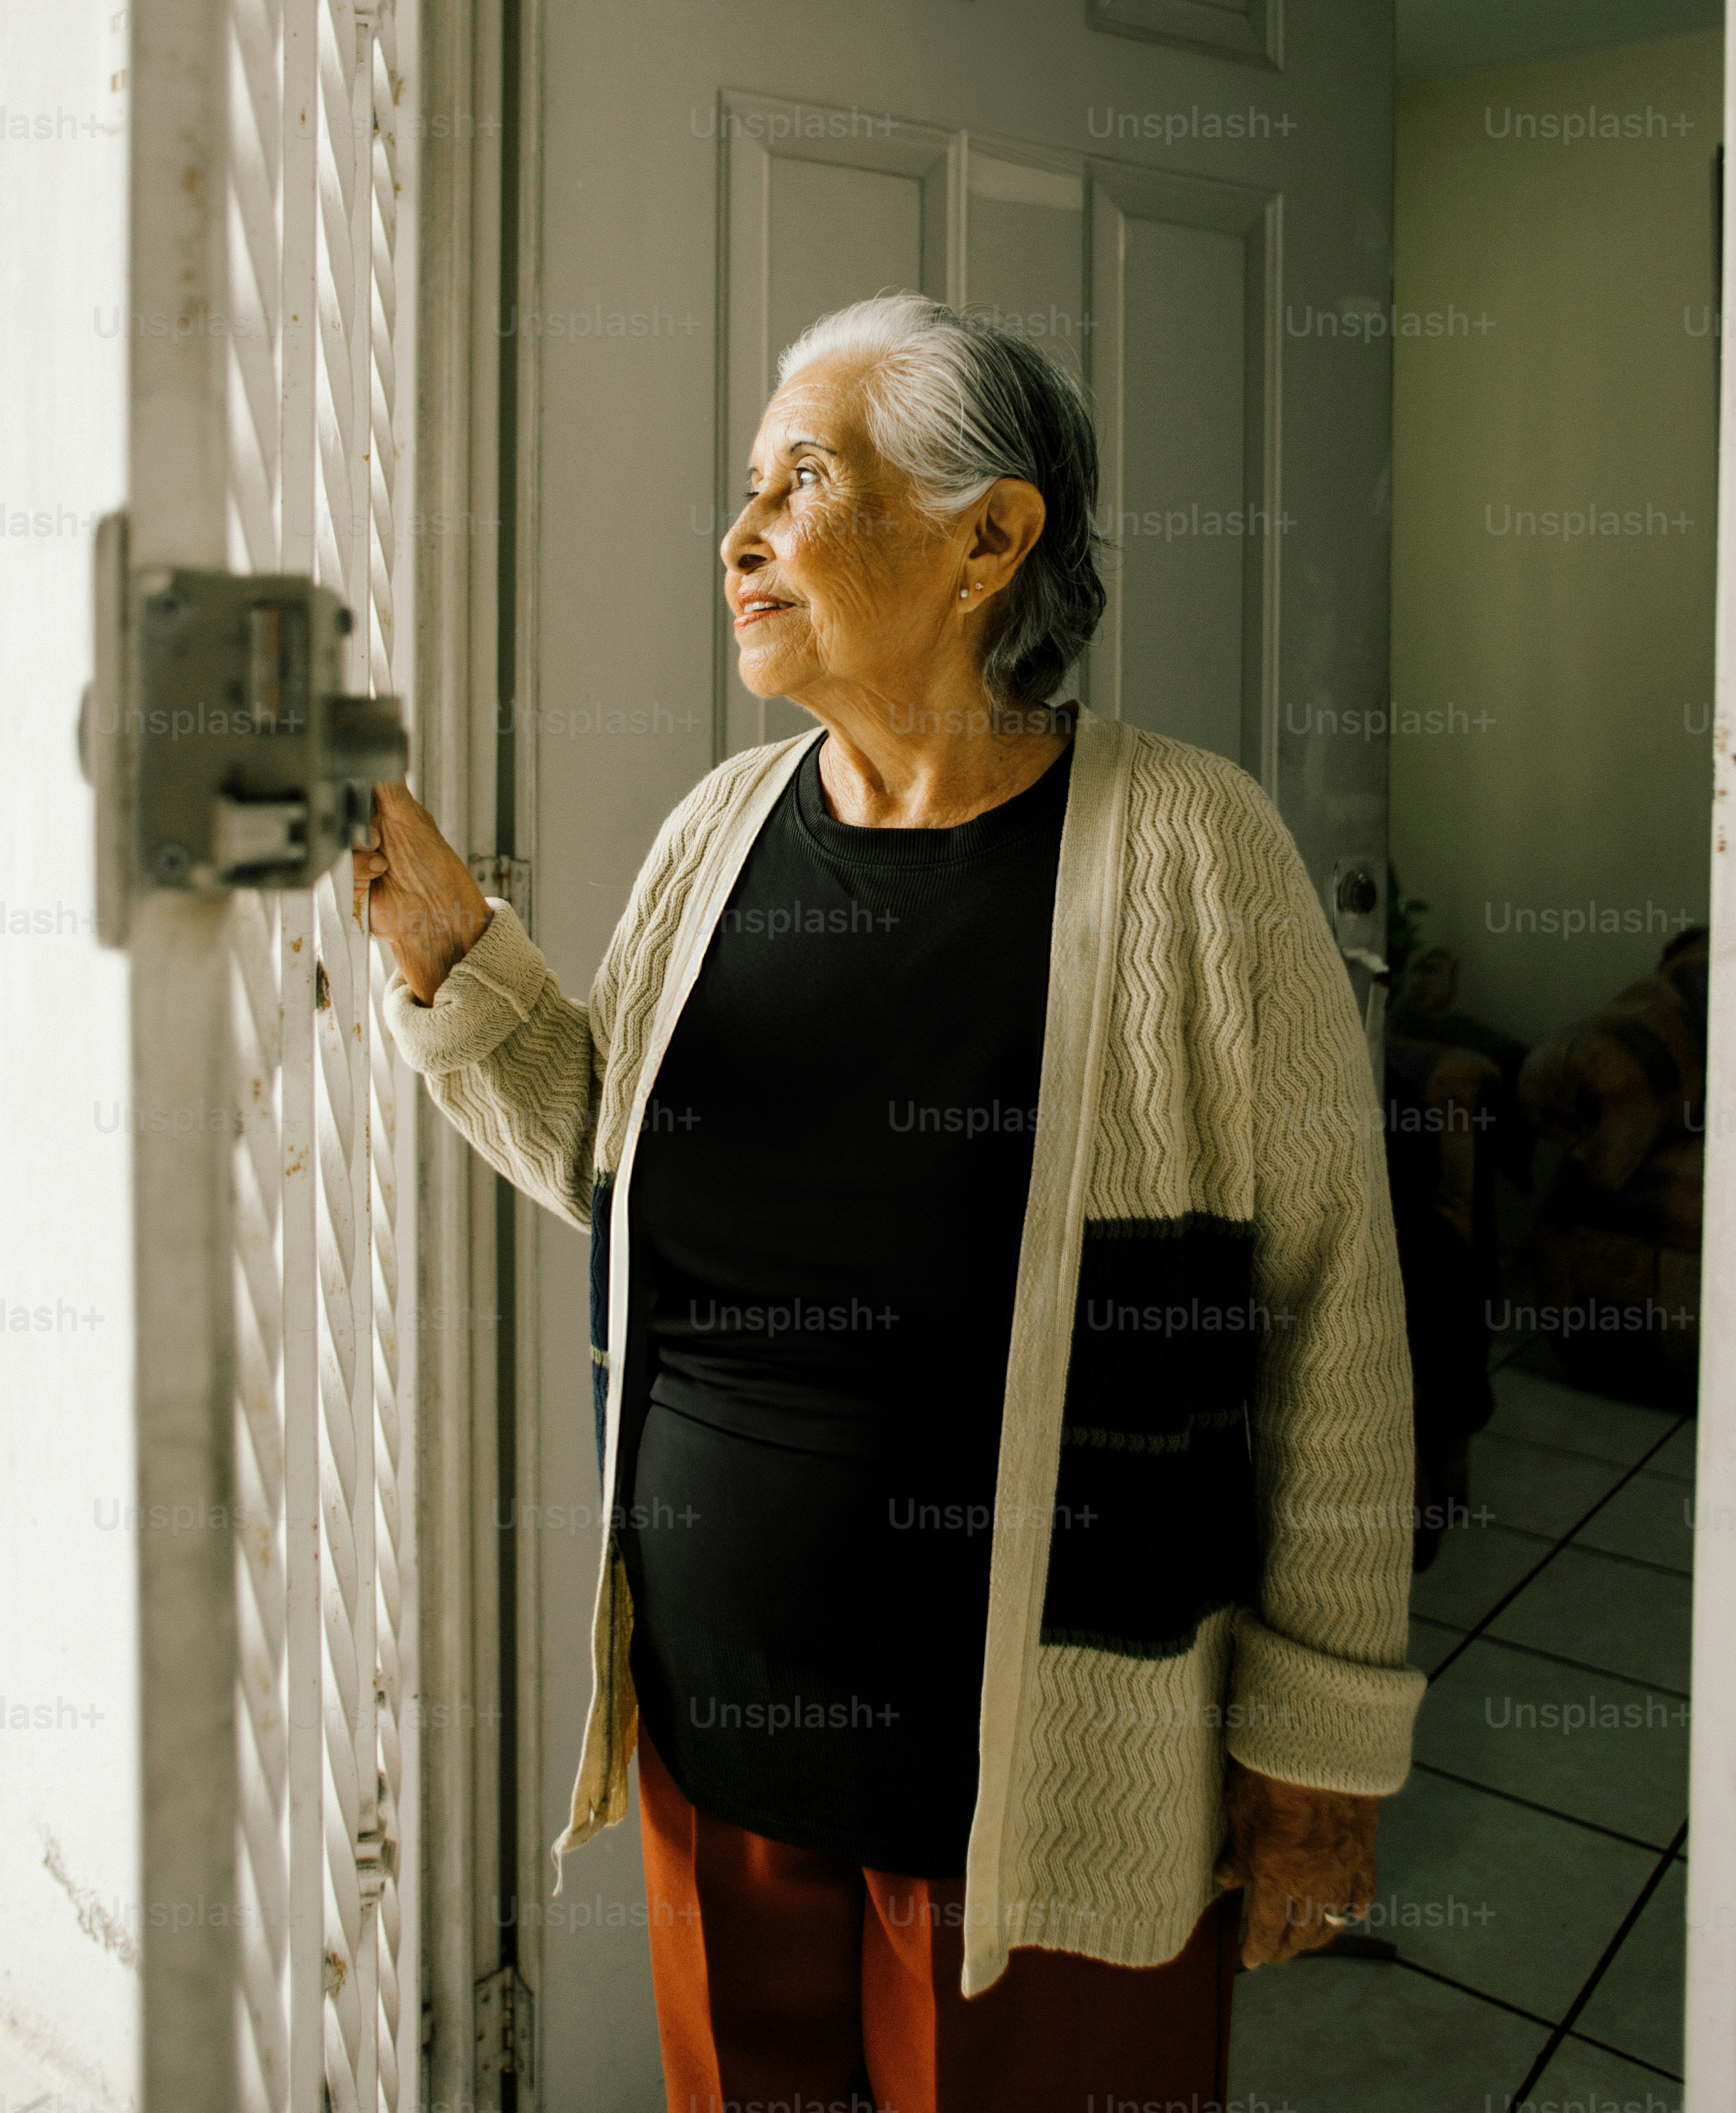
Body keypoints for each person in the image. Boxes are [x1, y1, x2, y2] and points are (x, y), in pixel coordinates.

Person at [360, 293, 1423, 2113]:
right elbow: (620, 1170)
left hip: (1037, 1785)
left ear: (987, 538)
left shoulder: (1189, 851)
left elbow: (1337, 1319)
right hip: (715, 1738)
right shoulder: (720, 829)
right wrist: (452, 958)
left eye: (802, 477)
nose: (739, 534)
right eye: (744, 488)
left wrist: (1321, 1752)